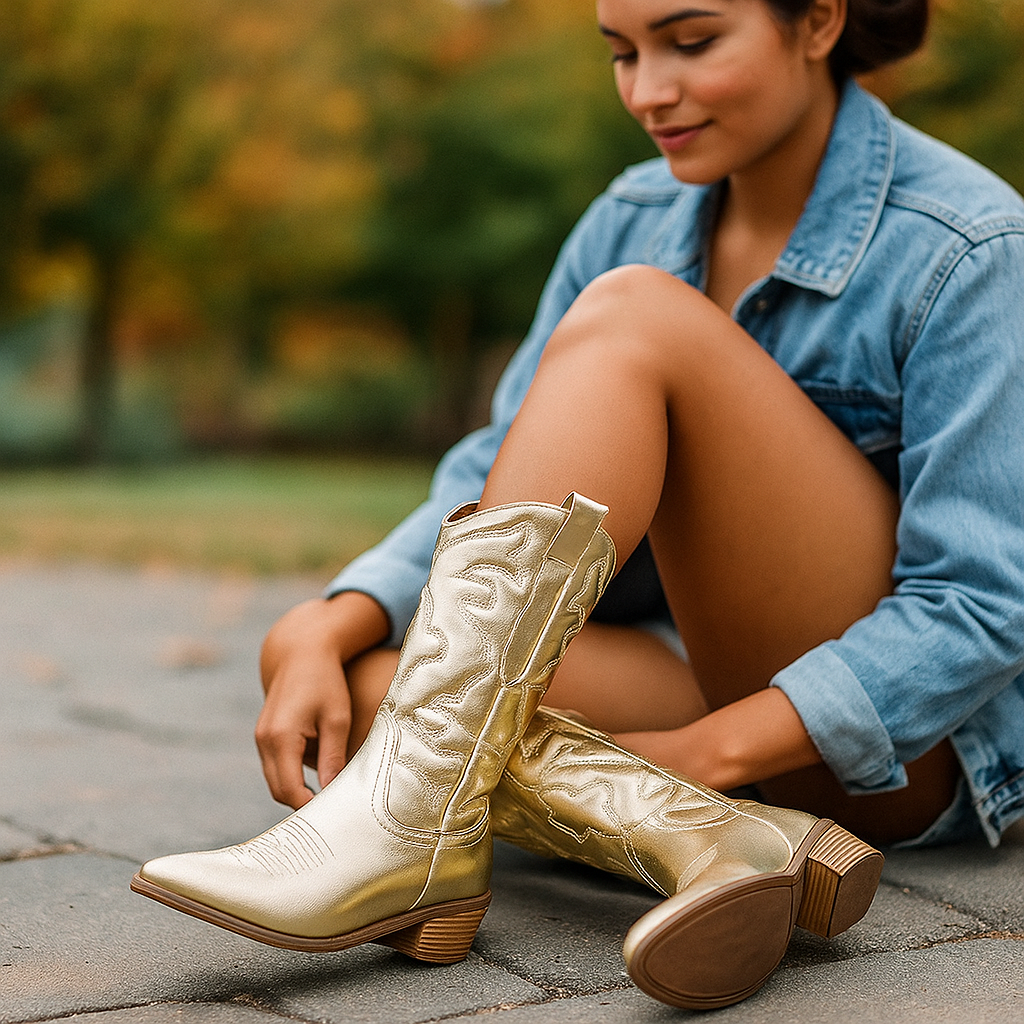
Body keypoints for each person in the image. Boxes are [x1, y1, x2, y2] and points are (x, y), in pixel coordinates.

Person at [132, 0, 1024, 1010]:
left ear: (817, 22)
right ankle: (725, 836)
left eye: (690, 44)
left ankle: (450, 831)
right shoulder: (631, 211)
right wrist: (334, 611)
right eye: (622, 54)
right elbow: (501, 464)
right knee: (368, 684)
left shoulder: (970, 244)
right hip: (688, 672)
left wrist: (705, 753)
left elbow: (980, 603)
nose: (648, 92)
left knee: (635, 313)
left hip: (890, 751)